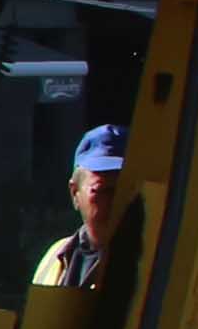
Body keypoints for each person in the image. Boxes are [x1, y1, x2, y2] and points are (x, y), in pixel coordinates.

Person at [34, 123, 135, 289]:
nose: (117, 201)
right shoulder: (55, 256)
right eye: (104, 191)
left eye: (127, 190)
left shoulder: (154, 261)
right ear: (75, 193)